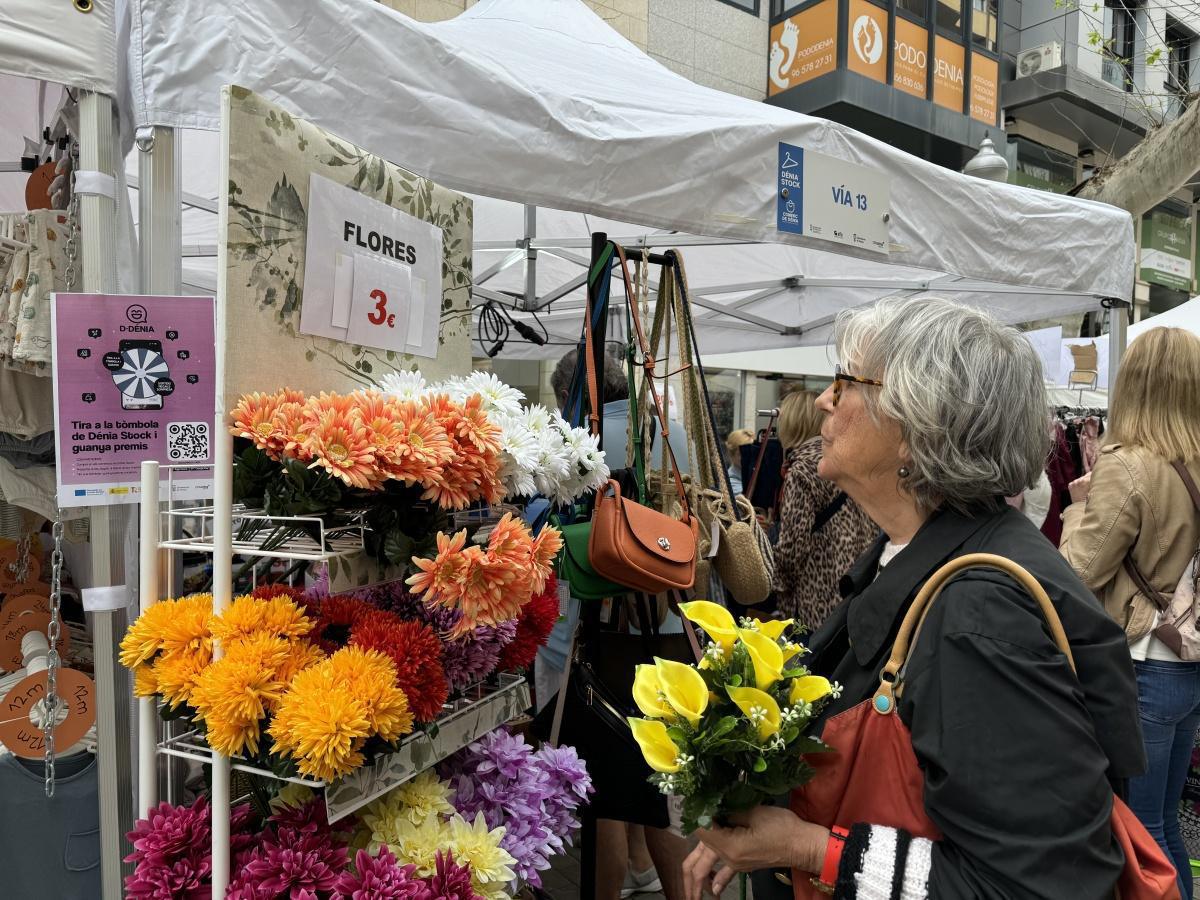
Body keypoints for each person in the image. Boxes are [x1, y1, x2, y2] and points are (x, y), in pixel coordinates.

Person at [682, 297, 1144, 899]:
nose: (826, 398)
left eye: (847, 381)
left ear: (914, 428)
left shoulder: (980, 614)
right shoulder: (919, 550)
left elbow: (1037, 886)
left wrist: (806, 848)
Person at [537, 346, 690, 900]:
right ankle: (665, 883)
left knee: (598, 782)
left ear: (570, 396)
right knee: (659, 784)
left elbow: (548, 531)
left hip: (602, 634)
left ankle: (614, 884)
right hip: (671, 625)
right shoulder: (669, 430)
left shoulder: (576, 444)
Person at [1060, 326, 1200, 899]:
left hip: (1142, 662)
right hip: (1186, 659)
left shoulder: (1131, 464)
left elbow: (1076, 572)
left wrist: (1075, 508)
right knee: (1165, 826)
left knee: (1140, 839)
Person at [773, 389, 877, 633]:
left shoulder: (802, 470)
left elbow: (793, 547)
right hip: (858, 586)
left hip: (816, 599)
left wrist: (776, 582)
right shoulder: (852, 459)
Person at [725, 429, 753, 496]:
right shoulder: (731, 482)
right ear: (732, 455)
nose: (749, 457)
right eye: (743, 453)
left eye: (751, 452)